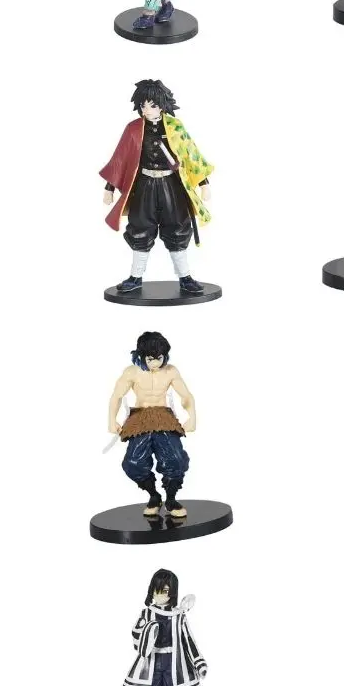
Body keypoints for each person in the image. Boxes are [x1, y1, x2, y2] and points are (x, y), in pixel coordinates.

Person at [101, 79, 213, 295]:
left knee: (177, 227)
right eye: (143, 105)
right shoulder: (133, 129)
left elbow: (191, 154)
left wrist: (203, 182)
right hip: (144, 186)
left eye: (151, 105)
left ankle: (185, 277)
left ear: (162, 104)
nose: (146, 109)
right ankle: (135, 276)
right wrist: (109, 187)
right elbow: (120, 158)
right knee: (140, 228)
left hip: (171, 186)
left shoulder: (175, 127)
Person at [108, 332, 195, 518]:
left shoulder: (170, 371)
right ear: (141, 356)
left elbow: (186, 395)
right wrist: (111, 420)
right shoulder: (132, 372)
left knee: (176, 460)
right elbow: (116, 396)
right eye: (150, 359)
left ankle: (171, 499)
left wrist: (192, 416)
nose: (155, 363)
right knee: (133, 463)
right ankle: (154, 496)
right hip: (140, 418)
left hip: (163, 417)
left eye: (159, 358)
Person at [122, 569, 207, 686]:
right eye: (157, 590)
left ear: (172, 592)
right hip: (150, 664)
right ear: (151, 590)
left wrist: (199, 663)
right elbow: (136, 637)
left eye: (165, 591)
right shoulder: (147, 613)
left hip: (174, 664)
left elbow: (188, 640)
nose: (160, 595)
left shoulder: (178, 616)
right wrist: (147, 632)